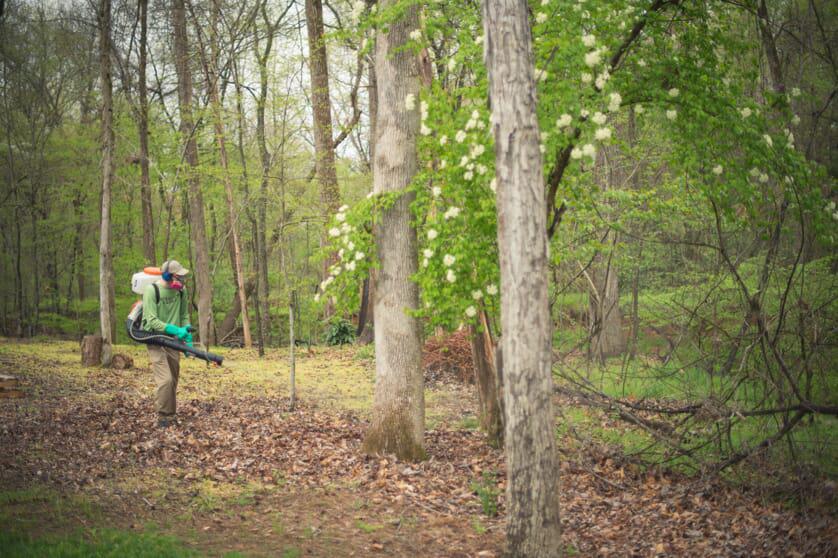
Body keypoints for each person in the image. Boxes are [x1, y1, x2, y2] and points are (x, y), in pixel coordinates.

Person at [141, 260, 193, 428]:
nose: (181, 281)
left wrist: (186, 333)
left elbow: (184, 314)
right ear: (167, 275)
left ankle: (170, 415)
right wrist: (175, 329)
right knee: (165, 380)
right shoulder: (152, 291)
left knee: (173, 380)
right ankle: (163, 416)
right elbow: (152, 321)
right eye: (178, 277)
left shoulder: (181, 291)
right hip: (155, 339)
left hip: (174, 341)